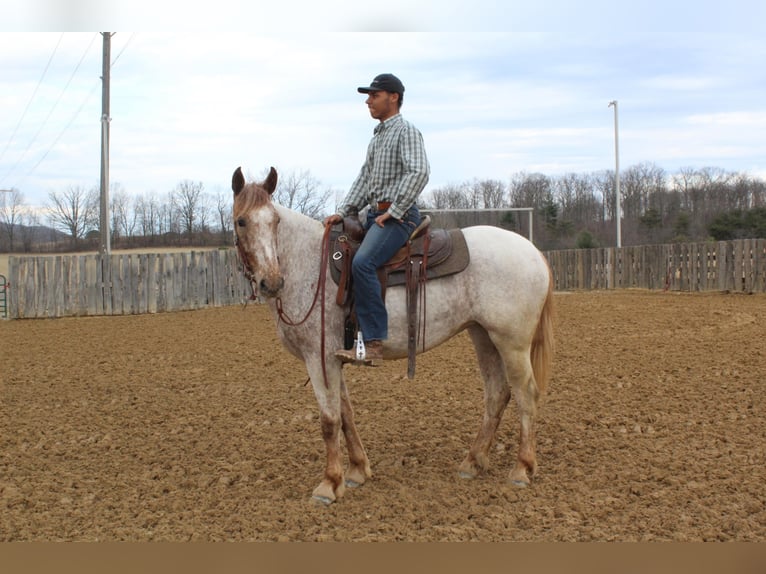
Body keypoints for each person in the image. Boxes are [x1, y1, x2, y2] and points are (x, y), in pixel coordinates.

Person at [324, 73, 430, 365]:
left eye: (374, 95)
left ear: (393, 97)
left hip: (398, 218)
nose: (368, 101)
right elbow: (364, 179)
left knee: (363, 263)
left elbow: (419, 171)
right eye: (368, 96)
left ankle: (373, 343)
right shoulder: (378, 138)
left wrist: (394, 211)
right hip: (376, 215)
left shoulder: (406, 131)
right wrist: (344, 211)